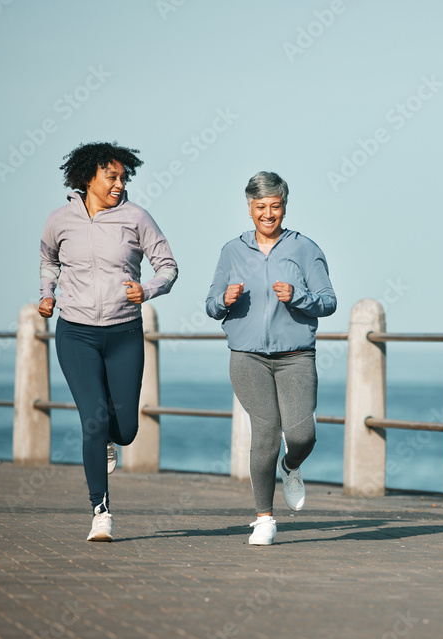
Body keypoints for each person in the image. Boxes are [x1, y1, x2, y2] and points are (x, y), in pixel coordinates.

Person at [39, 141, 178, 542]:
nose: (119, 184)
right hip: (76, 332)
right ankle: (100, 511)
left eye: (122, 177)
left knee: (127, 428)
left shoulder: (136, 217)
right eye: (111, 177)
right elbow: (48, 259)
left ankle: (112, 442)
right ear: (88, 178)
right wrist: (48, 293)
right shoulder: (59, 220)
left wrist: (147, 289)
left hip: (124, 332)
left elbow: (168, 266)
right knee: (93, 419)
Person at [205, 171, 336, 546]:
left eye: (275, 206)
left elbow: (328, 301)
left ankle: (291, 467)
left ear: (284, 207)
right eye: (260, 206)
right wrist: (224, 301)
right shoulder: (232, 251)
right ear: (249, 209)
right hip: (247, 356)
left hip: (296, 356)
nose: (268, 213)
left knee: (301, 434)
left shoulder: (305, 249)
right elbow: (211, 305)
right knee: (264, 433)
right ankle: (264, 518)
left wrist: (298, 296)